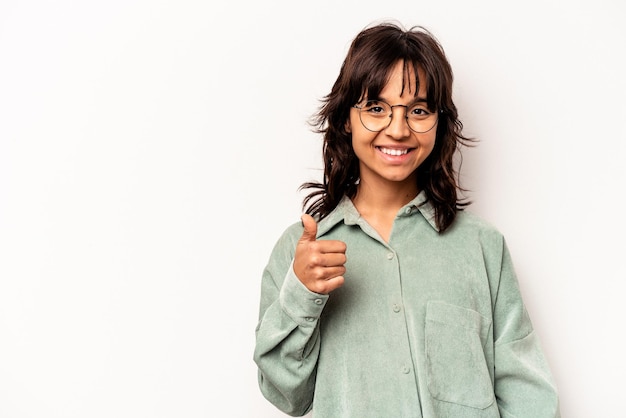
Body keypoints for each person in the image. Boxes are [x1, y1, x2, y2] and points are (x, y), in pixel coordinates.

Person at [253, 21, 560, 418]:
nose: (398, 130)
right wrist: (302, 294)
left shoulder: (482, 247)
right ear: (346, 118)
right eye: (376, 108)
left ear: (439, 121)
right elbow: (286, 394)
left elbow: (528, 394)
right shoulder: (301, 254)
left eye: (418, 110)